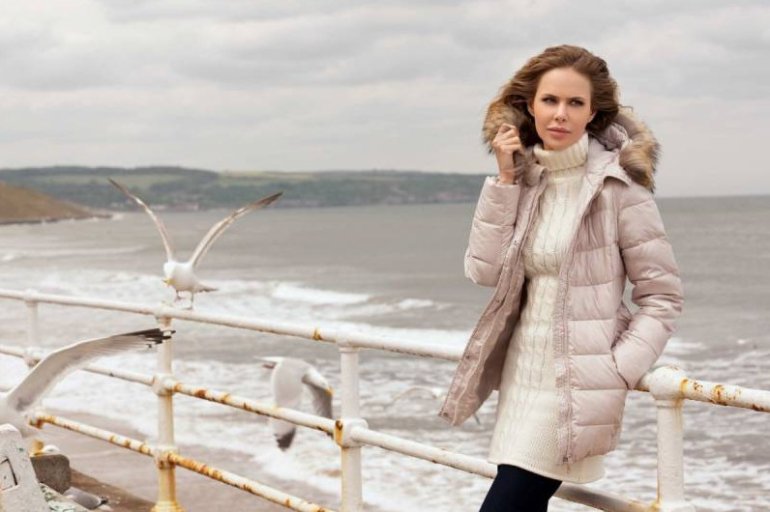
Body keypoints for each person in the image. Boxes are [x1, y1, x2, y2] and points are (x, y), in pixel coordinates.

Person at [437, 45, 684, 511]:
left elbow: (663, 296)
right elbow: (484, 271)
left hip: (572, 389)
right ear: (529, 105)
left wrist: (617, 368)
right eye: (550, 100)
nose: (560, 114)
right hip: (521, 380)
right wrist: (505, 180)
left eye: (575, 103)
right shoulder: (525, 180)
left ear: (593, 113)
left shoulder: (619, 188)